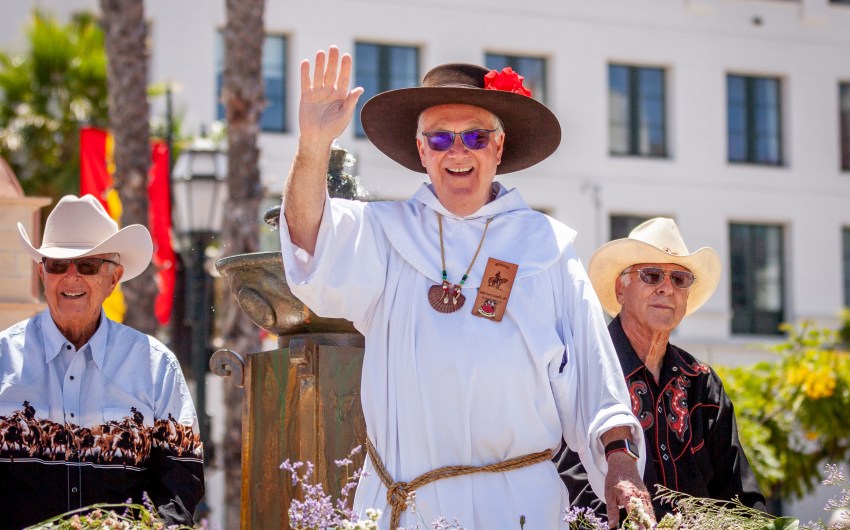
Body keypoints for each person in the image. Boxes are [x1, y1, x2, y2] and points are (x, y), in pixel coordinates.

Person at [280, 46, 652, 529]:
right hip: (405, 507)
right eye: (439, 139)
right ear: (421, 152)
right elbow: (309, 239)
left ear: (498, 148)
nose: (458, 151)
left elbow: (593, 374)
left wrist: (621, 460)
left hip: (519, 509)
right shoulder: (384, 232)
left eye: (475, 136)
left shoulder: (547, 246)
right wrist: (313, 146)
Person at [0, 195, 204, 529]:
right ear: (42, 273)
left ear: (113, 279)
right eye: (56, 264)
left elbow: (180, 487)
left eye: (88, 265)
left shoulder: (157, 368)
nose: (71, 277)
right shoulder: (1, 359)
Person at [556, 217, 767, 519]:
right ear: (620, 288)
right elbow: (569, 477)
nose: (667, 288)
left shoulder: (703, 383)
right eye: (652, 275)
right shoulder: (584, 369)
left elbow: (739, 493)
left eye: (679, 279)